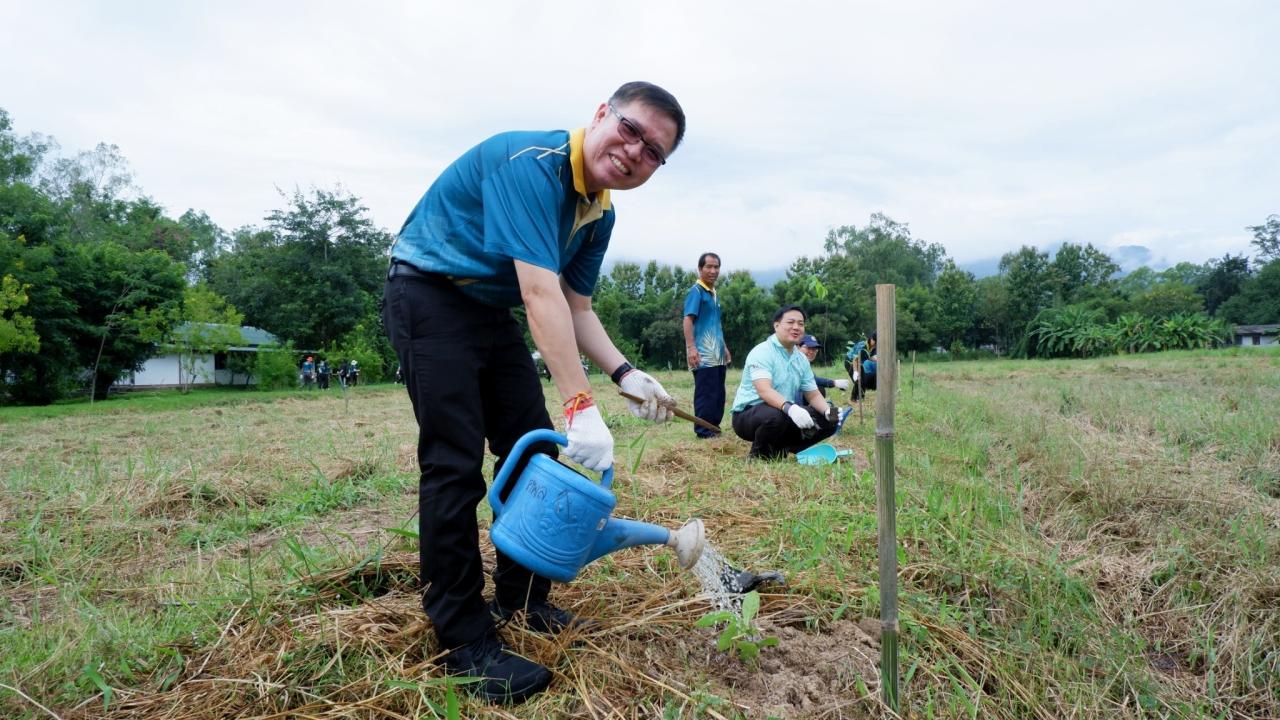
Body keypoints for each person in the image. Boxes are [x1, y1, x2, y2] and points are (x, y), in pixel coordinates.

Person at [382, 82, 684, 704]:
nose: (635, 152)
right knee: (454, 464)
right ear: (600, 114)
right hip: (429, 291)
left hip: (488, 312)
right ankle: (463, 639)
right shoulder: (530, 163)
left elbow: (576, 306)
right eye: (630, 130)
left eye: (654, 152)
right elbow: (538, 293)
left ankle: (522, 601)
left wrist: (625, 375)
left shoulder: (599, 212)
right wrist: (579, 405)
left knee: (531, 453)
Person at [730, 306, 838, 460]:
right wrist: (791, 408)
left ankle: (781, 448)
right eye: (790, 322)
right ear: (776, 325)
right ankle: (759, 456)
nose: (796, 327)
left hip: (784, 412)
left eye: (800, 324)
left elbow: (813, 395)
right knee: (775, 416)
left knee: (831, 420)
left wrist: (829, 411)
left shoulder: (801, 359)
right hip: (749, 415)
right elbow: (764, 391)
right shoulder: (762, 352)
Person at [682, 252, 730, 438]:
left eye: (716, 267)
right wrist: (691, 347)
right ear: (700, 269)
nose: (713, 271)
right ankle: (703, 431)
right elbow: (688, 319)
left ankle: (714, 429)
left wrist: (724, 347)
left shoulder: (713, 293)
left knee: (718, 393)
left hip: (717, 353)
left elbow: (715, 324)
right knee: (706, 393)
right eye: (709, 267)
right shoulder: (696, 292)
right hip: (703, 353)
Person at [795, 335, 848, 403]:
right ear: (798, 347)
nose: (811, 352)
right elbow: (811, 380)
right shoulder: (794, 363)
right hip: (789, 404)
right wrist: (834, 383)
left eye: (814, 349)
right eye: (808, 348)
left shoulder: (805, 364)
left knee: (820, 389)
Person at [846, 331, 877, 401]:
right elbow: (855, 359)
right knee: (858, 380)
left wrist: (878, 359)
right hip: (850, 362)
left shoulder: (872, 347)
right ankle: (853, 398)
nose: (876, 344)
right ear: (871, 339)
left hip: (859, 363)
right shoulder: (863, 345)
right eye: (875, 342)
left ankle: (861, 399)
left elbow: (869, 357)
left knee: (863, 380)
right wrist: (855, 372)